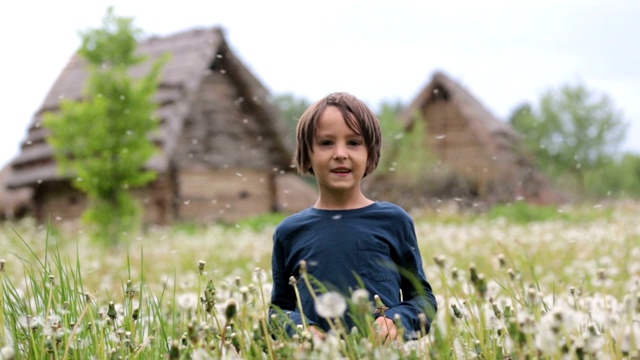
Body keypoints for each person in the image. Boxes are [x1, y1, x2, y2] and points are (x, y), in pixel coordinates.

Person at [269, 92, 436, 342]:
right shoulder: (290, 232)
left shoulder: (394, 221)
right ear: (307, 154)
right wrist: (301, 330)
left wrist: (395, 321)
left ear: (370, 153)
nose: (340, 153)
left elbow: (423, 300)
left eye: (354, 142)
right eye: (326, 143)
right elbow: (278, 311)